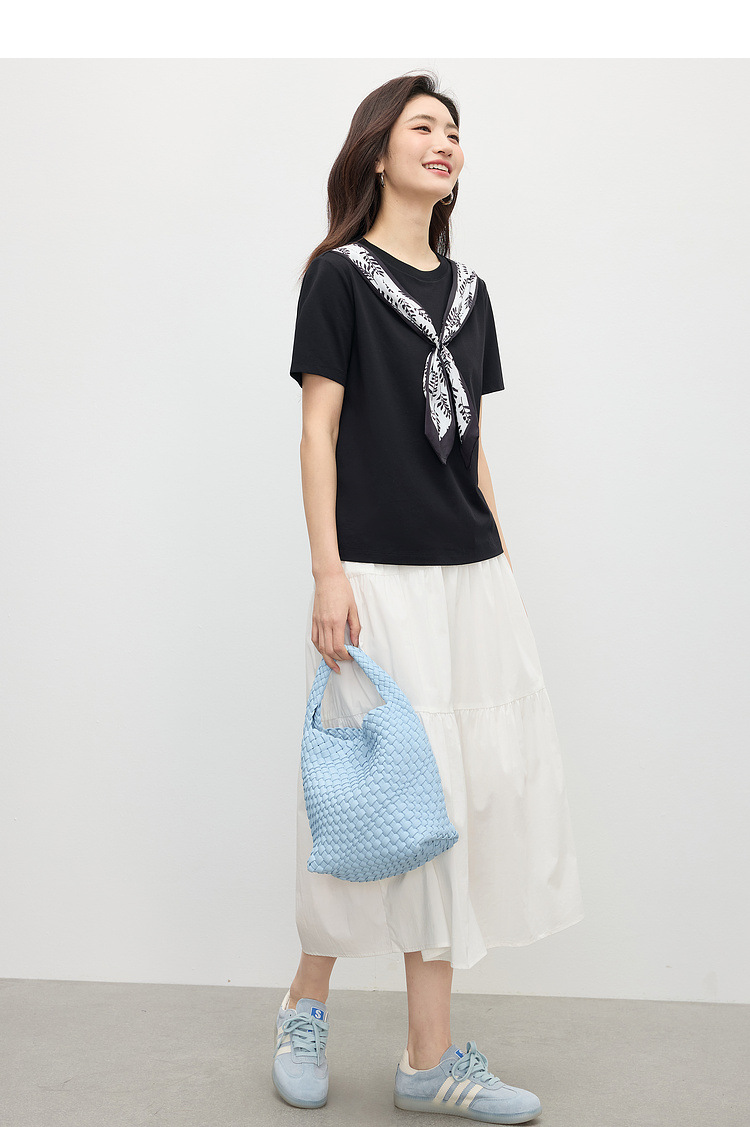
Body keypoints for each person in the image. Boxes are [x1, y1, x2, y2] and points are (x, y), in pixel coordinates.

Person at [272, 72, 585, 1122]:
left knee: (449, 802)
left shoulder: (471, 291)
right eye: (423, 126)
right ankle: (306, 1002)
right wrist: (328, 571)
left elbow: (471, 444)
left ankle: (427, 1056)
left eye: (454, 130)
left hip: (466, 573)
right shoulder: (338, 279)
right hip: (374, 573)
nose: (445, 142)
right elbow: (318, 430)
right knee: (367, 796)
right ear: (378, 152)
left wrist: (501, 559)